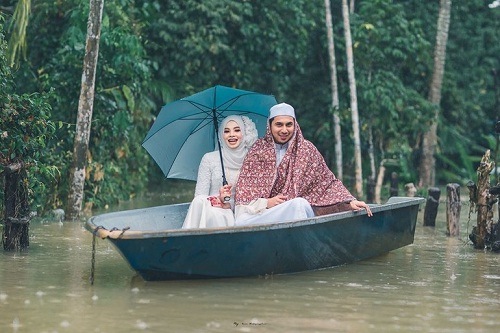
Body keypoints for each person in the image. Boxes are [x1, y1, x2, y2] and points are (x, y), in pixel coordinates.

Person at [234, 103, 372, 226]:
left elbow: (328, 183)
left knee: (298, 204)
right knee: (240, 221)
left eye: (289, 124)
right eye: (279, 124)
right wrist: (267, 202)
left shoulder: (306, 150)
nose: (284, 130)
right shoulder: (258, 150)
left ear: (295, 125)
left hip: (299, 212)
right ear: (270, 126)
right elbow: (245, 196)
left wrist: (348, 203)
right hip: (269, 212)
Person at [182, 115, 258, 229]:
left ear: (245, 133)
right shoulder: (209, 159)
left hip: (239, 212)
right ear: (222, 135)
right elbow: (199, 196)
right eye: (226, 131)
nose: (232, 134)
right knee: (203, 204)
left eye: (237, 130)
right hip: (211, 209)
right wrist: (219, 198)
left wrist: (228, 204)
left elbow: (253, 198)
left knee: (218, 215)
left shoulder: (253, 160)